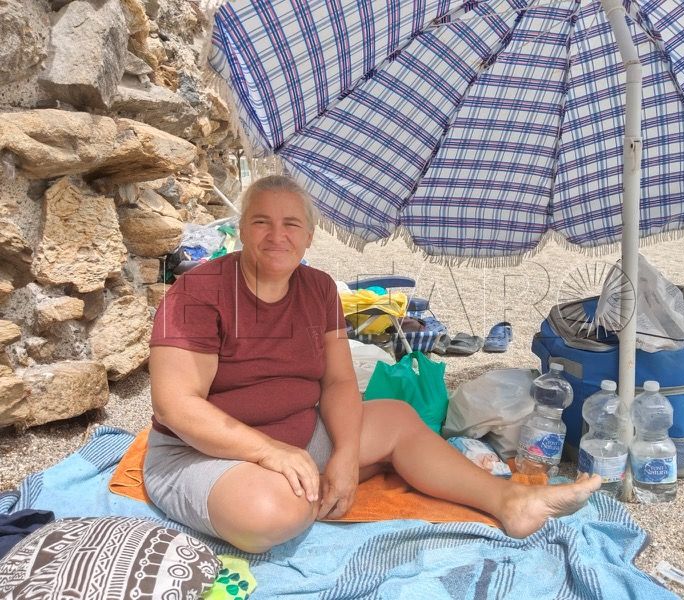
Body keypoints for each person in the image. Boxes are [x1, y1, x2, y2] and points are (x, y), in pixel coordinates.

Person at [144, 175, 600, 554]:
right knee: (270, 514)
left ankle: (511, 501)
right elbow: (176, 406)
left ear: (308, 236)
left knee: (397, 418)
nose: (276, 235)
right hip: (205, 453)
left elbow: (340, 382)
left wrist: (343, 455)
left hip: (299, 436)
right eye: (261, 221)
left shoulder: (319, 288)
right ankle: (318, 485)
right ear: (242, 229)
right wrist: (269, 452)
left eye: (291, 224)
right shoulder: (199, 293)